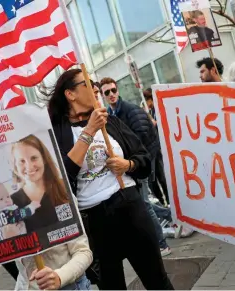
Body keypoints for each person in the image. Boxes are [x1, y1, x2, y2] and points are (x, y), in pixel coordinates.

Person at [48, 69, 174, 290]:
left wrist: (128, 165)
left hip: (129, 207)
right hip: (95, 221)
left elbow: (143, 157)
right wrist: (89, 131)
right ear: (71, 94)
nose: (96, 91)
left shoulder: (111, 123)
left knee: (158, 281)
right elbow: (62, 180)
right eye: (88, 85)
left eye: (97, 87)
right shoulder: (58, 133)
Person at [101, 77, 172, 257]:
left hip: (141, 161)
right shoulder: (110, 113)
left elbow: (141, 137)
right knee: (143, 202)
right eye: (106, 92)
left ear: (118, 90)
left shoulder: (130, 110)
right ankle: (172, 216)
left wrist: (139, 162)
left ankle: (162, 244)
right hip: (131, 165)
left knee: (145, 203)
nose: (111, 95)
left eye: (113, 90)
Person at [10, 134, 69, 233]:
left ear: (44, 159)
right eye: (22, 161)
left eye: (34, 158)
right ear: (15, 166)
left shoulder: (63, 188)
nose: (29, 166)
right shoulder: (11, 203)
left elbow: (78, 241)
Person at [143, 88, 170, 206]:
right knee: (157, 178)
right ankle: (165, 202)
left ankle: (169, 201)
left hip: (159, 146)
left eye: (146, 100)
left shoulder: (156, 109)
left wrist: (150, 119)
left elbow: (158, 123)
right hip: (155, 147)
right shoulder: (151, 110)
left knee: (162, 176)